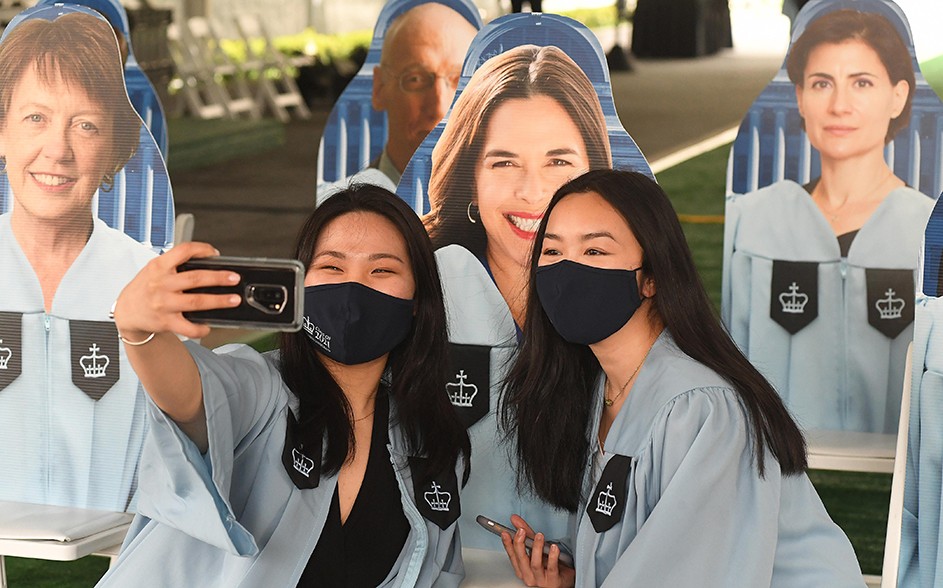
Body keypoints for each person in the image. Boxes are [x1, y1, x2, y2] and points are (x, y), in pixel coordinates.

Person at [499, 169, 864, 587]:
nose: (567, 270)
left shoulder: (702, 406)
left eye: (595, 252)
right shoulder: (603, 389)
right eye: (551, 252)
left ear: (651, 276)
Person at [98, 184, 471, 587]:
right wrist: (141, 331)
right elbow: (191, 399)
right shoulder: (261, 388)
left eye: (382, 270)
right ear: (299, 285)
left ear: (418, 298)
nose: (353, 288)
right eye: (331, 267)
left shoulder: (431, 445)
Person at [422, 43, 612, 549]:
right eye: (504, 163)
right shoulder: (420, 291)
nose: (533, 192)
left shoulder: (634, 302)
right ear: (472, 178)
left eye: (558, 163)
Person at [723, 8, 932, 433]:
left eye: (862, 83)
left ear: (898, 96)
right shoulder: (753, 222)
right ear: (800, 97)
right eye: (822, 84)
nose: (839, 105)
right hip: (779, 464)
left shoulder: (930, 229)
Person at [0, 9, 152, 512]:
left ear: (113, 148)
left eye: (85, 125)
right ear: (2, 132)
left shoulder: (147, 283)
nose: (57, 150)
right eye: (35, 118)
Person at [370, 2, 478, 185]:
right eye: (416, 79)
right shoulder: (341, 209)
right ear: (379, 89)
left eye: (460, 82)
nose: (439, 108)